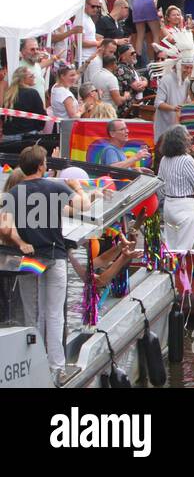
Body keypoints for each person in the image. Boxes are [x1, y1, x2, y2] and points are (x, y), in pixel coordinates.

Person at [8, 145, 95, 383]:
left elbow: (5, 224)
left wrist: (19, 241)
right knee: (53, 313)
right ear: (40, 166)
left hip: (29, 259)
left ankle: (30, 364)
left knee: (31, 314)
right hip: (54, 255)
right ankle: (56, 366)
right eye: (46, 162)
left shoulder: (14, 193)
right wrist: (77, 188)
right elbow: (84, 206)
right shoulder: (54, 187)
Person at [157, 125, 194, 251]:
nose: (189, 138)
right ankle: (182, 271)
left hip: (169, 204)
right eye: (187, 136)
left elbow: (160, 186)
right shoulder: (186, 160)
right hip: (185, 205)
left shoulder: (164, 159)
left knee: (171, 246)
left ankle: (170, 270)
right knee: (185, 249)